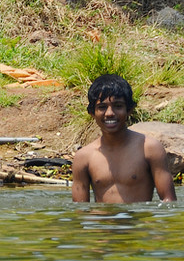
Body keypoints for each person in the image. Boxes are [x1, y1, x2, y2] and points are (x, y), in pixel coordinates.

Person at [71, 74, 177, 204]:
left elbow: (169, 202)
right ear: (92, 113)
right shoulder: (83, 157)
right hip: (102, 223)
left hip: (138, 223)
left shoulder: (149, 149)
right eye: (102, 107)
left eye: (118, 106)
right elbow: (80, 210)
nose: (110, 113)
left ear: (129, 110)